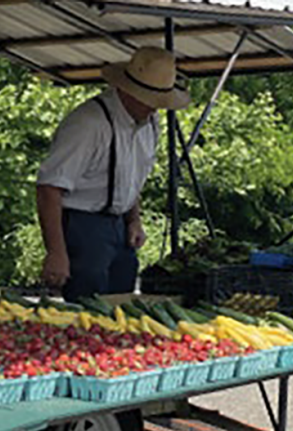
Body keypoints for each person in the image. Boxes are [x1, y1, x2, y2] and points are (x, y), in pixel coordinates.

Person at [36, 47, 190, 302]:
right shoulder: (89, 123)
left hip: (119, 225)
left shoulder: (150, 124)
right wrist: (56, 252)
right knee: (87, 306)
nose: (155, 108)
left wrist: (134, 220)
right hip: (81, 226)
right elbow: (48, 188)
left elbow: (132, 176)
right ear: (128, 91)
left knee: (121, 302)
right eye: (150, 100)